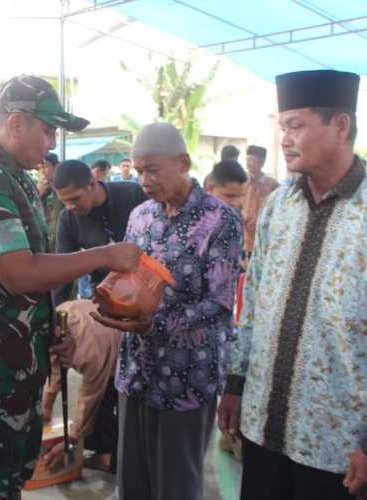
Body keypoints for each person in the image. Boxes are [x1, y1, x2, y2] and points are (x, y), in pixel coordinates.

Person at [217, 70, 367, 500]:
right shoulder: (279, 206)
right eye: (283, 127)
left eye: (296, 126)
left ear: (340, 126)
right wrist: (236, 382)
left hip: (338, 447)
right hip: (262, 425)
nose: (284, 139)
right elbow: (255, 303)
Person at [0, 74, 142, 499]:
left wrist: (49, 334)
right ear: (16, 123)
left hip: (13, 365)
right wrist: (104, 254)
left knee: (10, 481)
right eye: (47, 130)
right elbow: (19, 272)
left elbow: (34, 276)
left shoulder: (17, 178)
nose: (51, 143)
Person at [93, 122, 243, 500]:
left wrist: (153, 323)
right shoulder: (140, 216)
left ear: (184, 162)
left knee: (175, 486)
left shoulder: (220, 220)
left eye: (152, 169)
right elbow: (127, 278)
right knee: (133, 485)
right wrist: (114, 304)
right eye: (138, 169)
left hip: (187, 378)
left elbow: (220, 305)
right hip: (137, 374)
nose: (143, 179)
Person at [41, 299, 122, 473]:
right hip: (101, 337)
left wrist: (71, 440)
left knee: (100, 407)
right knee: (87, 421)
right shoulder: (56, 321)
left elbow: (91, 396)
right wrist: (47, 405)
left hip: (119, 356)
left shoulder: (89, 352)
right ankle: (99, 445)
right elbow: (56, 363)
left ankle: (106, 457)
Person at [52, 159, 147, 305]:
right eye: (64, 201)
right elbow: (64, 273)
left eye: (75, 199)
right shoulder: (67, 219)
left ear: (91, 184)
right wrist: (57, 315)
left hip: (148, 286)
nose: (70, 206)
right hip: (105, 295)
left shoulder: (133, 194)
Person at [242, 145, 279, 254]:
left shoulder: (272, 185)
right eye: (247, 159)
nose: (248, 163)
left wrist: (260, 220)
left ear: (262, 163)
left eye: (252, 160)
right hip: (243, 236)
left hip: (264, 237)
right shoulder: (241, 182)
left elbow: (278, 210)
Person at [37, 153, 63, 251]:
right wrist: (38, 194)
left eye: (45, 167)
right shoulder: (42, 189)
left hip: (62, 241)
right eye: (39, 168)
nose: (42, 172)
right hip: (47, 243)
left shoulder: (65, 186)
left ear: (56, 166)